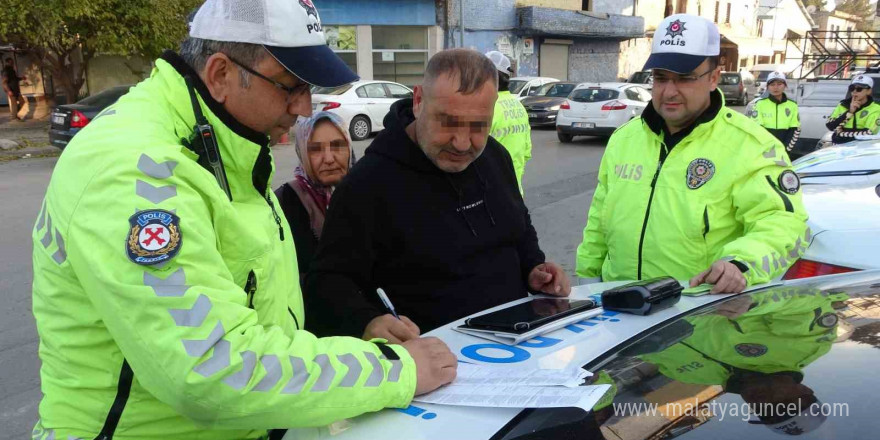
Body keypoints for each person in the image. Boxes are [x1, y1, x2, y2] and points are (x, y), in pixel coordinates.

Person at [29, 1, 456, 439]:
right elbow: (210, 369)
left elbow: (260, 307)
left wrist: (356, 330)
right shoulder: (136, 174)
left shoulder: (223, 143)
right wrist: (394, 371)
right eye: (291, 87)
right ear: (219, 74)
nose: (304, 107)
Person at [305, 48, 571, 342]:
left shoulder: (496, 157)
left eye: (478, 126)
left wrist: (535, 268)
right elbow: (327, 283)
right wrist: (366, 322)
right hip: (434, 369)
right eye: (448, 122)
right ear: (418, 101)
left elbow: (519, 230)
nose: (461, 143)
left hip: (520, 344)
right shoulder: (366, 184)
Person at [575, 14, 808, 294]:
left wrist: (741, 263)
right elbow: (600, 218)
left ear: (713, 78)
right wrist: (588, 278)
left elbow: (785, 223)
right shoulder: (624, 139)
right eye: (660, 78)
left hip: (696, 315)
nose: (669, 91)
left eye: (684, 79)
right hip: (617, 305)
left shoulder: (753, 146)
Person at [638, 287, 848, 435]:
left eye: (764, 411)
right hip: (679, 280)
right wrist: (755, 301)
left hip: (627, 304)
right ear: (804, 391)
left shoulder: (691, 376)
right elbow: (809, 299)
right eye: (781, 405)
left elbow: (637, 351)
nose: (762, 403)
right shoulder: (806, 344)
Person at [274, 111, 355, 284]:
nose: (329, 159)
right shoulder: (286, 202)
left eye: (337, 145)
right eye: (315, 149)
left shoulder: (365, 193)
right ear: (302, 153)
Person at [486, 50, 532, 194]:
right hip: (515, 192)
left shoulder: (487, 107)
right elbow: (527, 151)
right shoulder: (519, 106)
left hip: (489, 193)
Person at [750, 71, 800, 153]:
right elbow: (756, 128)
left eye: (779, 84)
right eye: (772, 84)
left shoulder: (792, 105)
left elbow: (795, 130)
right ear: (767, 87)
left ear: (785, 86)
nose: (776, 87)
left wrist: (785, 150)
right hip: (764, 149)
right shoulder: (759, 104)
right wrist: (767, 148)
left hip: (784, 150)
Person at [825, 74, 880, 145]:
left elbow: (867, 133)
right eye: (852, 88)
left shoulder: (876, 109)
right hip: (838, 148)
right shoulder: (842, 105)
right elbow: (830, 126)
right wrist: (850, 112)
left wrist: (841, 134)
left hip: (862, 148)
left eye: (859, 89)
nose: (854, 91)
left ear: (869, 91)